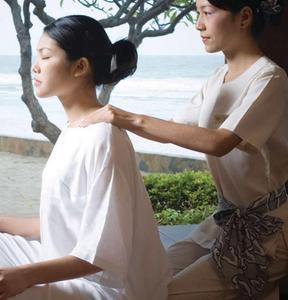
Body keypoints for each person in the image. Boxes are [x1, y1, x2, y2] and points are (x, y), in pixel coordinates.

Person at [0, 15, 171, 300]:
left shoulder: (104, 138)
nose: (35, 67)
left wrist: (22, 276)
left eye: (46, 56)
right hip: (62, 262)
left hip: (103, 287)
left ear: (80, 67)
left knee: (2, 289)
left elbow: (102, 256)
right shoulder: (74, 131)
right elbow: (59, 224)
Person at [79, 0, 288, 299]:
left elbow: (218, 142)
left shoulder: (270, 78)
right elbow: (173, 129)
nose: (198, 24)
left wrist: (122, 116)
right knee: (145, 279)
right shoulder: (218, 78)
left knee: (163, 295)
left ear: (243, 17)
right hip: (226, 224)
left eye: (207, 12)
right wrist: (109, 125)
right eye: (196, 13)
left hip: (268, 233)